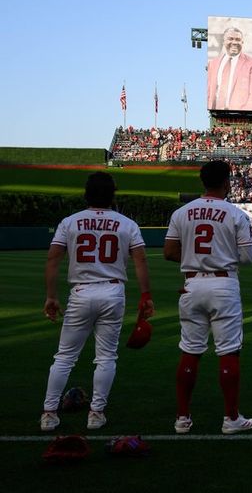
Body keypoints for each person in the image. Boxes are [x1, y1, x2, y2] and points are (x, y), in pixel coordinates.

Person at [40, 172, 153, 432]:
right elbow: (140, 261)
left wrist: (51, 296)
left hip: (81, 292)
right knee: (106, 357)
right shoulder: (126, 223)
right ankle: (96, 414)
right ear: (112, 194)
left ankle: (48, 414)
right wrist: (146, 295)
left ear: (86, 193)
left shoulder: (70, 222)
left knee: (65, 357)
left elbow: (53, 259)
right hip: (113, 293)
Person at [163, 160, 252, 435]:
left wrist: (196, 258)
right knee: (228, 351)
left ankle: (182, 417)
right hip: (223, 284)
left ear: (203, 182)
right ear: (227, 182)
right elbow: (248, 257)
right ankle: (231, 419)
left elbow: (169, 251)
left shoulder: (182, 212)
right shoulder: (235, 213)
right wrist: (218, 256)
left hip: (192, 284)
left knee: (190, 351)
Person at [207, 26, 252, 111]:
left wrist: (243, 115)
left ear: (242, 42)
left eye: (238, 40)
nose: (234, 42)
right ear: (223, 41)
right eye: (230, 39)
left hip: (243, 118)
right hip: (217, 116)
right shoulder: (213, 64)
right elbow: (209, 91)